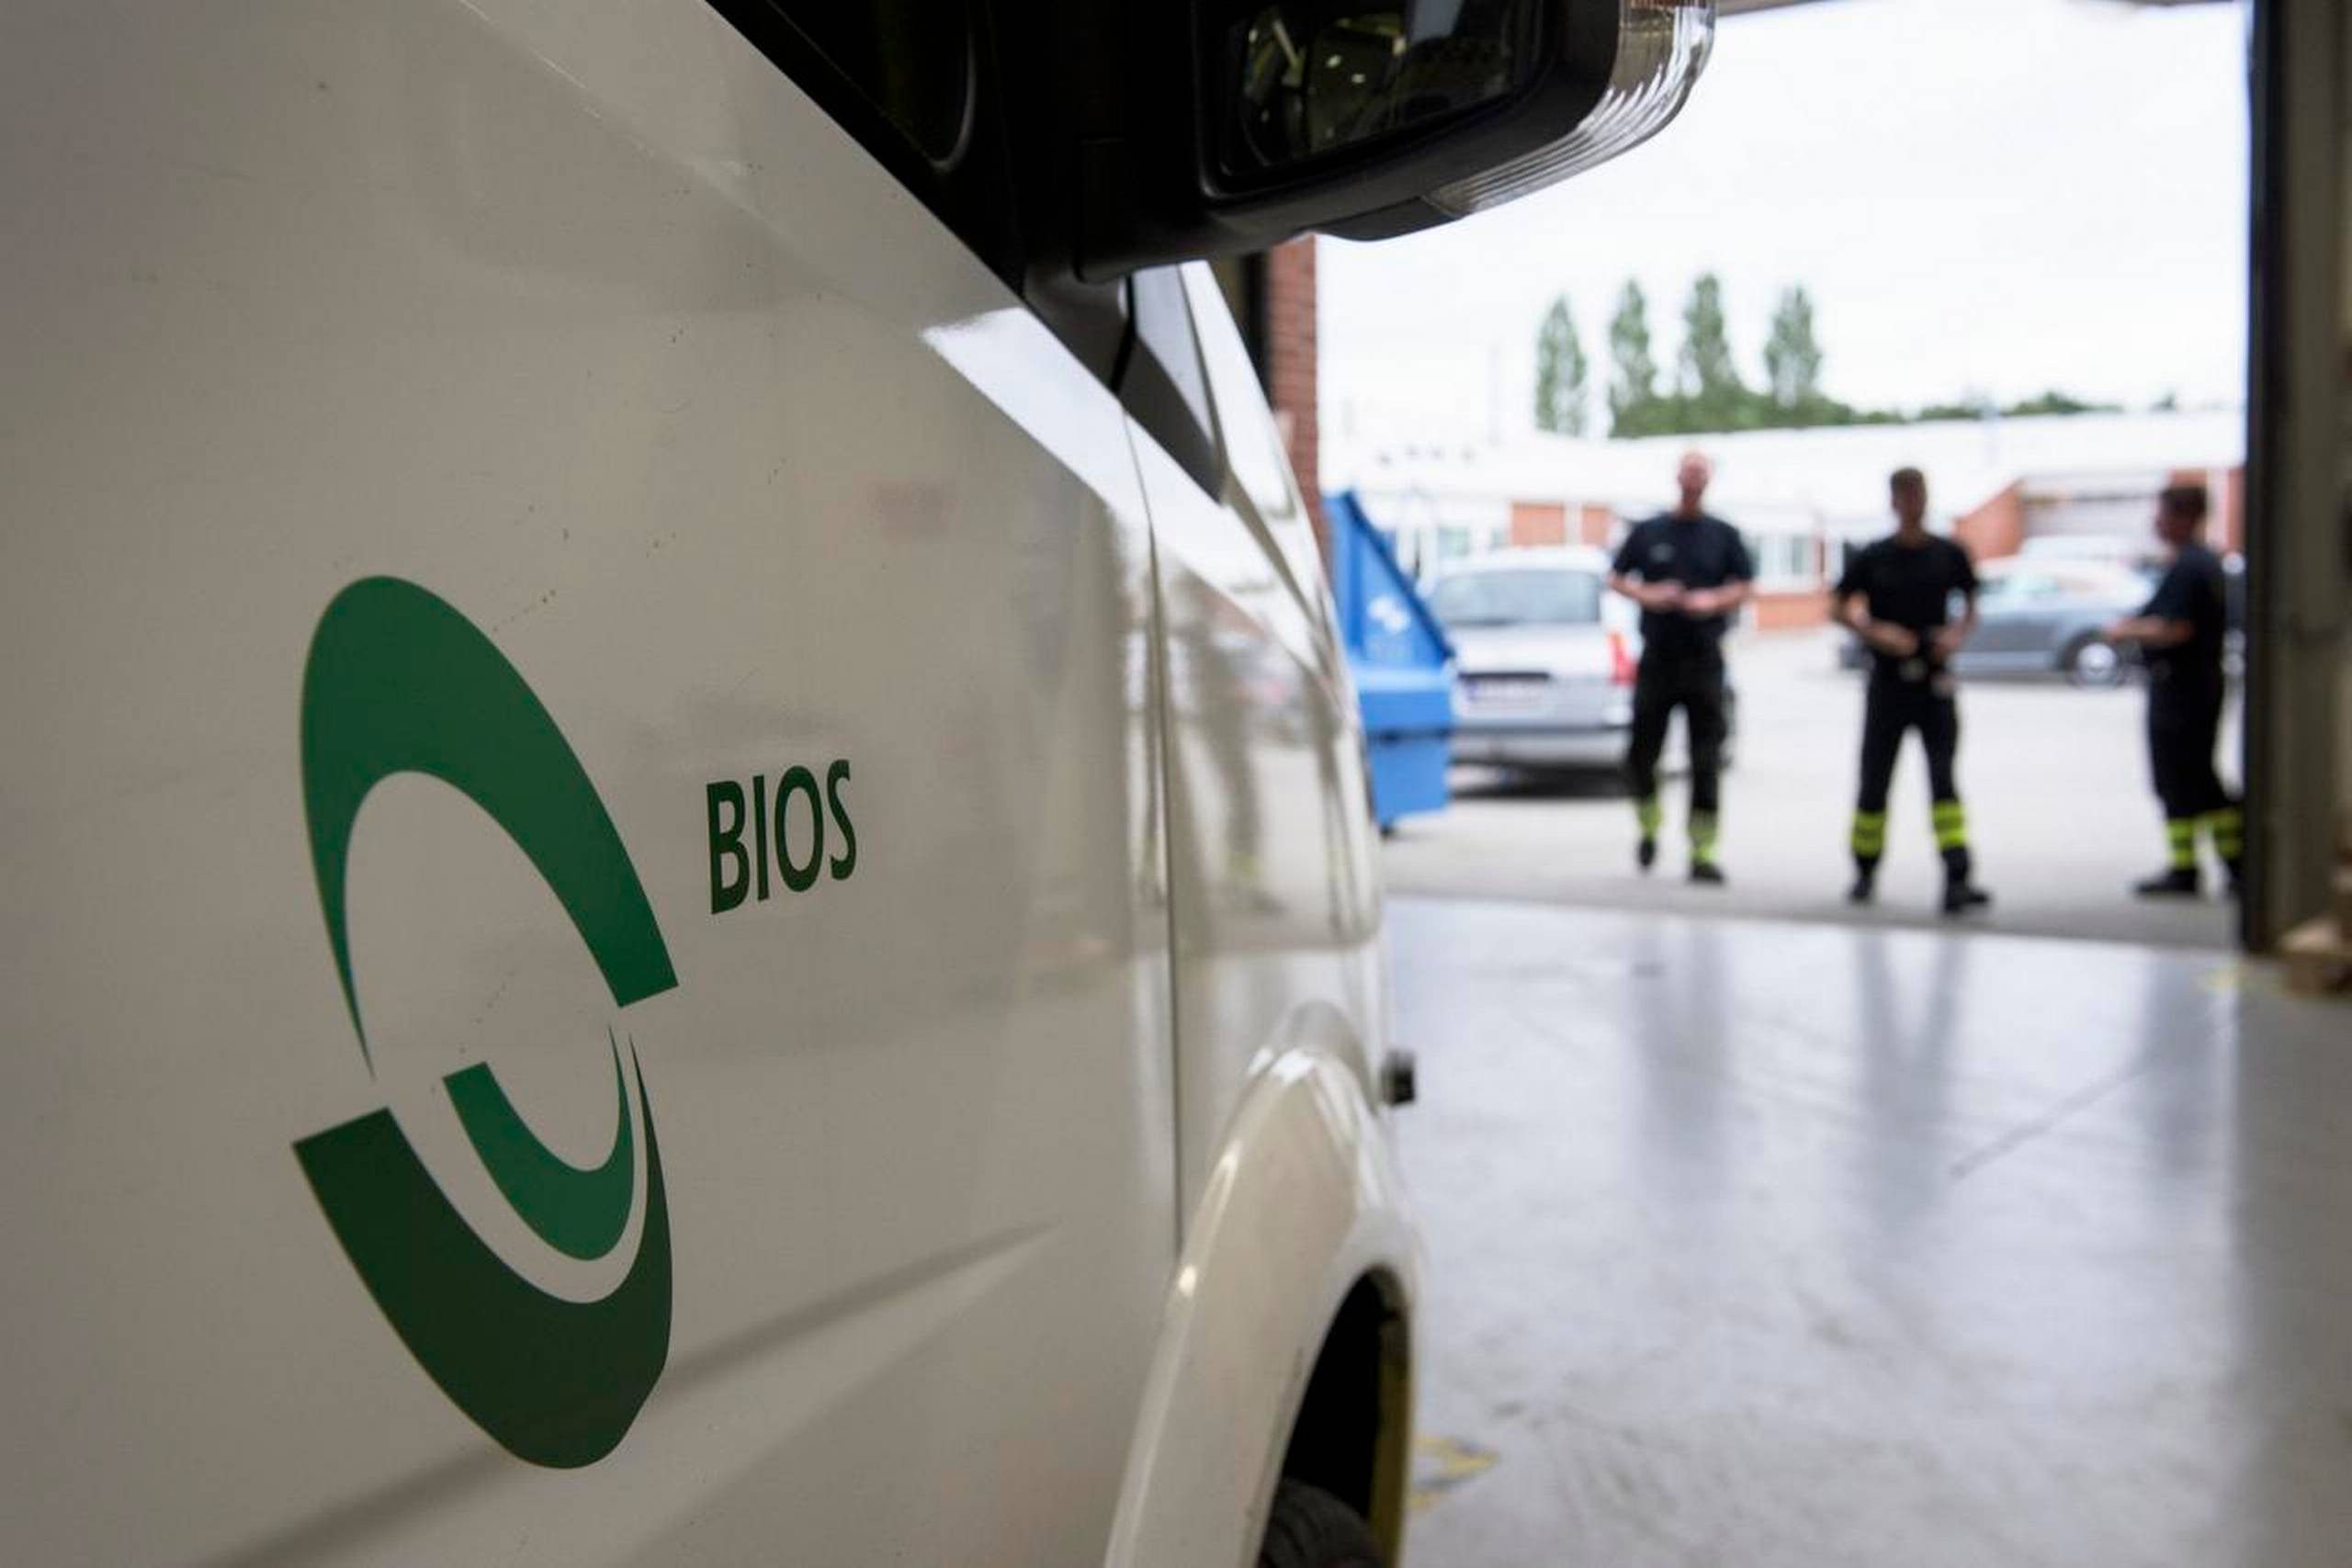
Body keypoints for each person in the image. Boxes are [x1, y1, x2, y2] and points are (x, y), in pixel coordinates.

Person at [1831, 468, 1993, 916]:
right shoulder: (1874, 556)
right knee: (1874, 781)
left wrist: (1955, 636)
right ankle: (1864, 870)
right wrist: (1876, 632)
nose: (1912, 501)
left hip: (1934, 684)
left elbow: (1973, 606)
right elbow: (1838, 607)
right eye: (1904, 494)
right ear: (1893, 500)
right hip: (1887, 683)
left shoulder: (1948, 554)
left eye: (1918, 493)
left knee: (1943, 780)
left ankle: (1957, 876)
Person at [1608, 451, 1754, 884]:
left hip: (1705, 661)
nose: (1693, 482)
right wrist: (1650, 595)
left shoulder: (1723, 534)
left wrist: (1712, 600)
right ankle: (1649, 827)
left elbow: (1745, 586)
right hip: (1657, 660)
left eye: (1701, 476)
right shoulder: (1649, 531)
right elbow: (1616, 577)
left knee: (1705, 760)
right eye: (1688, 474)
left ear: (1708, 481)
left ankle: (1702, 851)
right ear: (1677, 478)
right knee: (1641, 755)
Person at [2105, 482, 2242, 897]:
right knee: (2186, 779)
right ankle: (2209, 865)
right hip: (2192, 687)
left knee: (2189, 778)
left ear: (2183, 517)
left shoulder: (2191, 567)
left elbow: (2177, 628)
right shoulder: (2197, 563)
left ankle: (2210, 867)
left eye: (2162, 514)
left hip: (2183, 690)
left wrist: (2127, 630)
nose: (2156, 522)